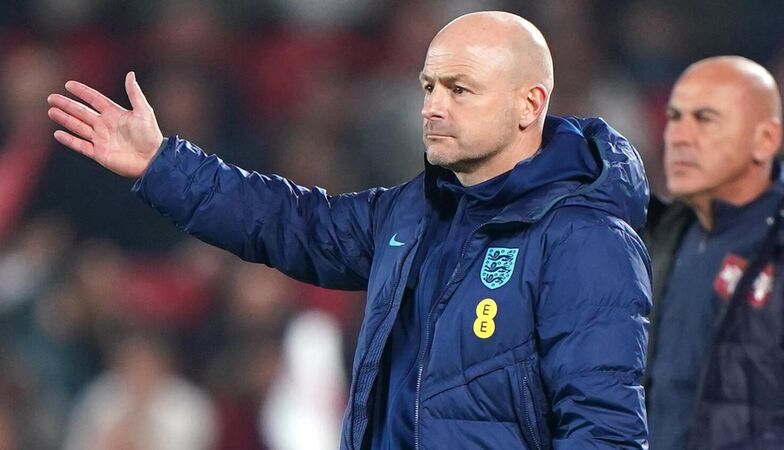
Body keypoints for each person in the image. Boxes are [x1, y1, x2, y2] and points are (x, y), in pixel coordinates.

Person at [47, 11, 651, 449]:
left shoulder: (586, 239)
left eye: (460, 89)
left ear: (530, 104)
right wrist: (162, 165)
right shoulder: (413, 213)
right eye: (428, 87)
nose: (433, 106)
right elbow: (289, 221)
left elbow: (604, 429)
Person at [644, 56, 784, 450]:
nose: (679, 136)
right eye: (675, 117)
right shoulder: (662, 239)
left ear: (765, 140)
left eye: (705, 118)